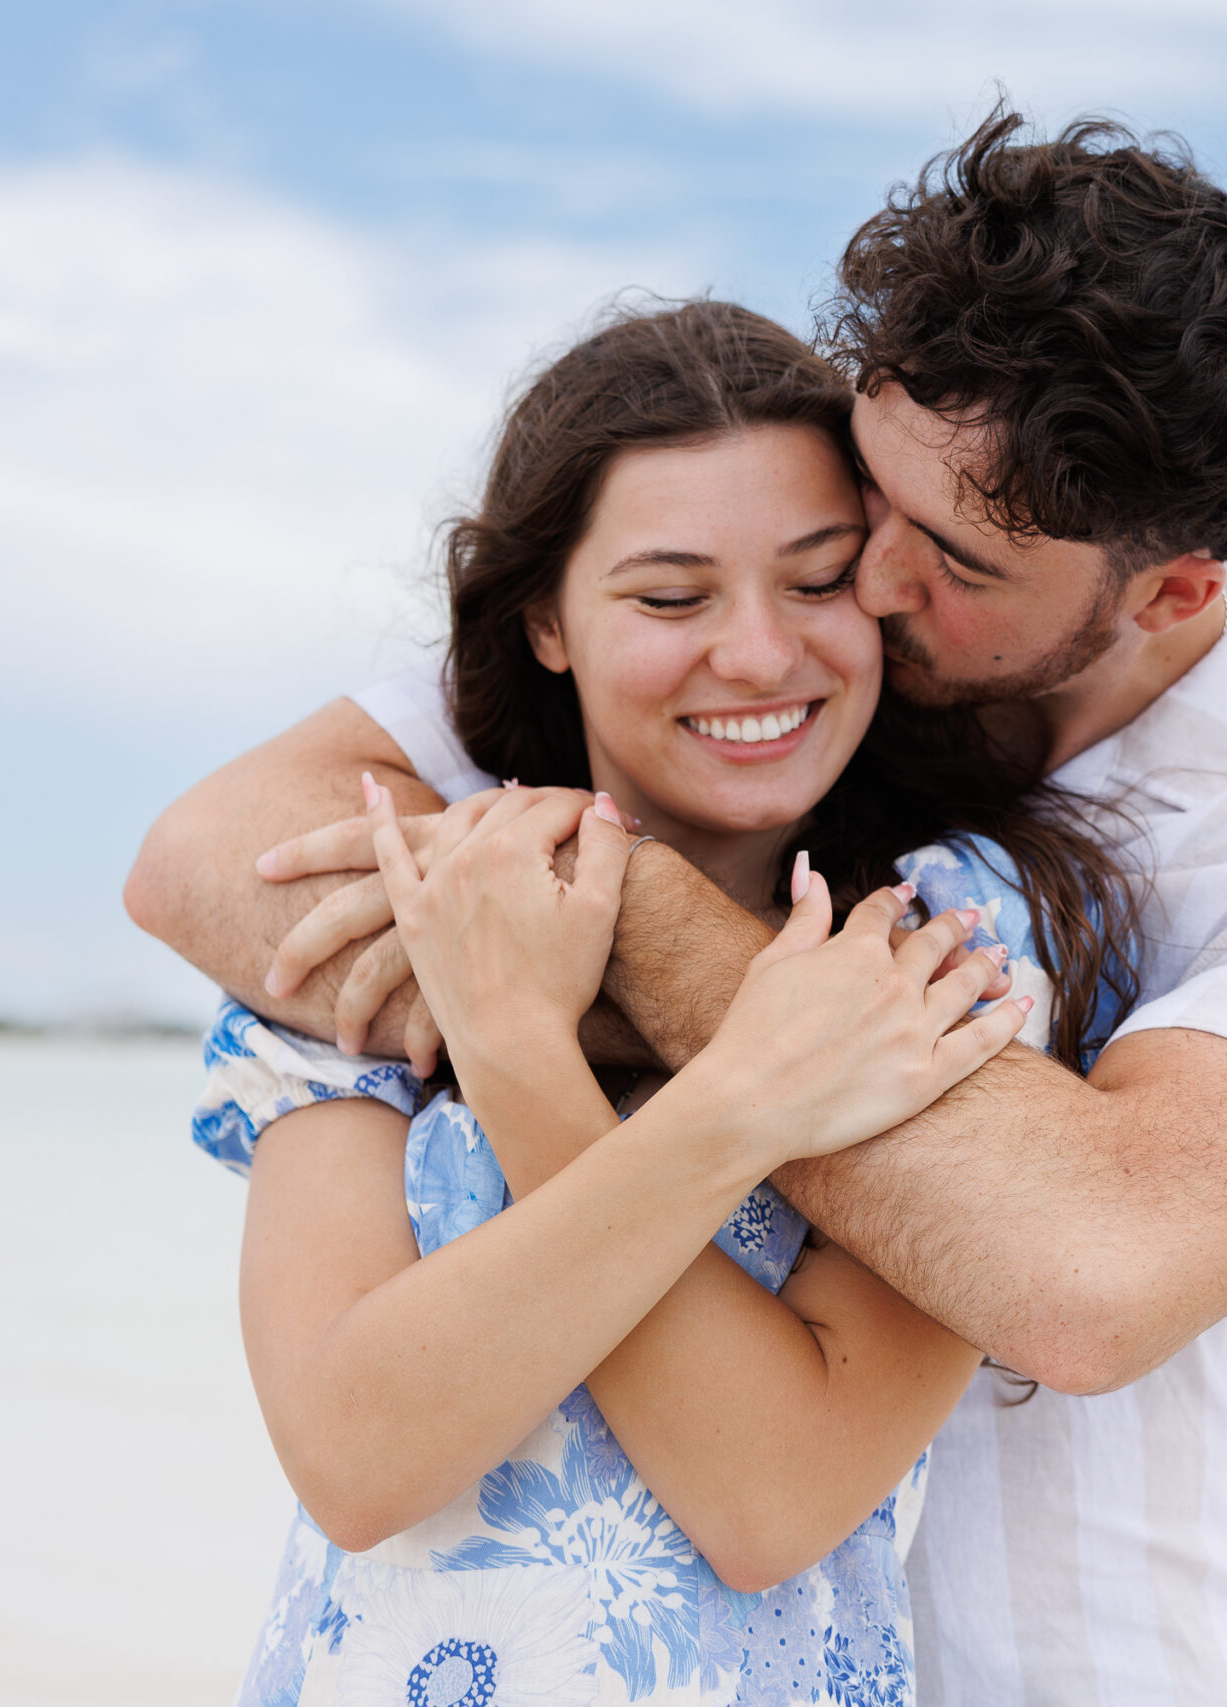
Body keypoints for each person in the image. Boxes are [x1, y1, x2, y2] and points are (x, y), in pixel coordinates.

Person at [129, 109, 1227, 1706]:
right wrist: (599, 984)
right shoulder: (757, 627)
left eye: (946, 564)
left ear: (1174, 591)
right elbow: (210, 856)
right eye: (870, 504)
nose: (843, 598)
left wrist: (577, 940)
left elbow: (1079, 1279)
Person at [186, 301, 1137, 1706]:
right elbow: (356, 1460)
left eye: (818, 583)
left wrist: (526, 1063)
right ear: (545, 623)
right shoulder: (402, 899)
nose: (757, 656)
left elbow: (773, 1499)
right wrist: (719, 1099)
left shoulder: (947, 935)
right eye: (672, 599)